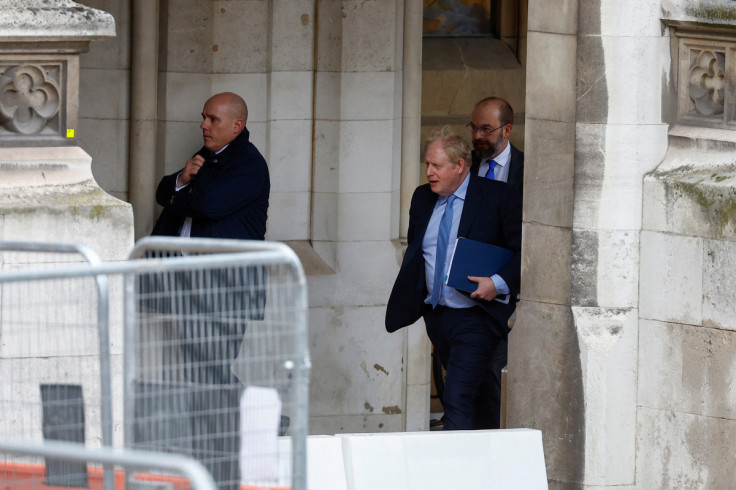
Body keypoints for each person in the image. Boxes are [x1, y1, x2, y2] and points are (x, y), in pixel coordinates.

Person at [143, 92, 269, 489]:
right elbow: (164, 191)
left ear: (236, 125)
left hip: (224, 289)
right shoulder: (208, 158)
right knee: (199, 371)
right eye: (203, 117)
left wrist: (185, 192)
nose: (203, 125)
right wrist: (183, 180)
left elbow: (210, 205)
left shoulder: (248, 165)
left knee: (211, 369)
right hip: (188, 286)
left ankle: (253, 426)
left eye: (212, 119)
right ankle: (211, 446)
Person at [385, 128, 522, 430]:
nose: (429, 172)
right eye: (427, 165)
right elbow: (418, 250)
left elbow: (522, 252)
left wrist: (496, 283)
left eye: (436, 166)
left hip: (476, 316)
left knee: (457, 394)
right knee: (479, 392)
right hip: (437, 316)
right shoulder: (422, 198)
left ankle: (454, 470)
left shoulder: (497, 197)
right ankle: (486, 460)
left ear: (460, 165)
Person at [468, 96, 524, 197]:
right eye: (474, 127)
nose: (477, 136)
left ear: (506, 131)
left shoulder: (526, 167)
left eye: (486, 129)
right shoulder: (464, 163)